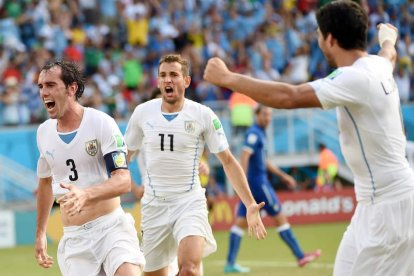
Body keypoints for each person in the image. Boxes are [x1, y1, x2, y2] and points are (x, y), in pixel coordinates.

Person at [204, 1, 414, 275]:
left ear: (330, 39)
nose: (316, 40)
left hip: (390, 207)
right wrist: (388, 39)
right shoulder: (378, 64)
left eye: (318, 34)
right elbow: (390, 54)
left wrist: (228, 78)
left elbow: (288, 97)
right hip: (373, 204)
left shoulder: (354, 77)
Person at [124, 54, 267, 276]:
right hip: (154, 206)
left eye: (173, 75)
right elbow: (123, 159)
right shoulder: (143, 113)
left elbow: (228, 161)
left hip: (189, 202)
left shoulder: (203, 115)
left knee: (189, 269)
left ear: (187, 81)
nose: (167, 80)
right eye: (163, 75)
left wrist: (249, 204)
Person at [34, 60, 145, 276]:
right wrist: (40, 232)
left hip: (111, 228)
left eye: (50, 85)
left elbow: (122, 180)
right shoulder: (43, 133)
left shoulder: (101, 123)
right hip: (75, 240)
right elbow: (45, 183)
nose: (44, 93)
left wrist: (86, 194)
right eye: (41, 87)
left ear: (71, 89)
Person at [224, 105, 321, 273]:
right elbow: (245, 156)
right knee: (280, 217)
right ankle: (300, 256)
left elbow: (264, 161)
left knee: (240, 223)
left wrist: (283, 176)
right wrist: (243, 182)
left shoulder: (260, 133)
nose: (268, 118)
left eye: (270, 115)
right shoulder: (254, 133)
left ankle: (230, 263)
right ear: (257, 115)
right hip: (258, 184)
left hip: (253, 184)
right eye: (265, 115)